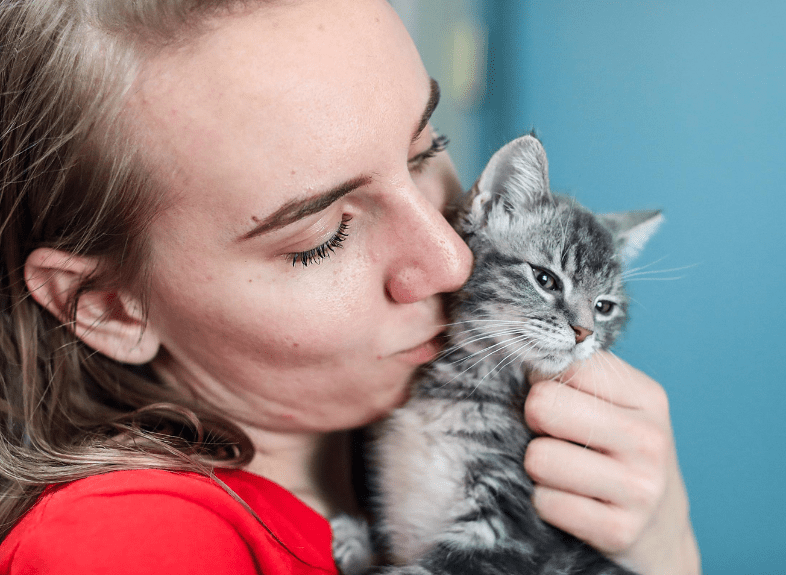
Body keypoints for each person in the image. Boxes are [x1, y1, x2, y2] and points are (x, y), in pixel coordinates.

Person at [0, 0, 700, 573]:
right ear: (109, 306)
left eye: (428, 150)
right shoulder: (123, 544)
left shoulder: (406, 440)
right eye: (322, 236)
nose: (452, 258)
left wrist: (662, 547)